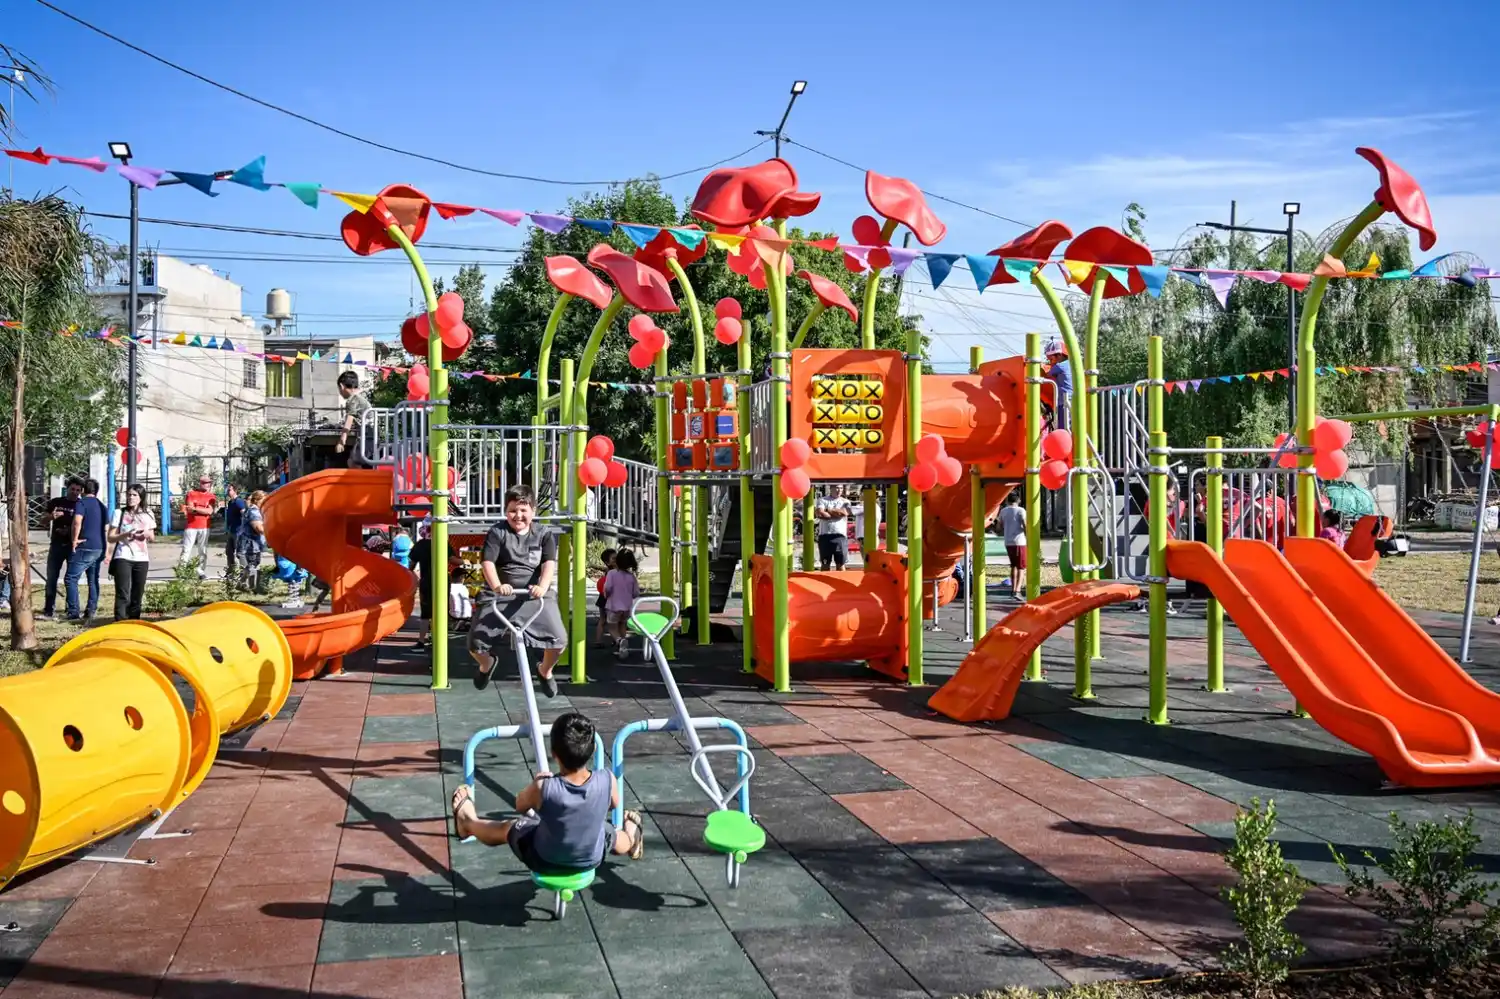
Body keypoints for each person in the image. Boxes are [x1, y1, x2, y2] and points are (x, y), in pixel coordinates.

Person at [450, 711, 644, 868]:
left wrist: (536, 784)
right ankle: (631, 838)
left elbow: (520, 804)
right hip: (591, 859)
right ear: (593, 750)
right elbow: (615, 803)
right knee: (609, 832)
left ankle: (468, 823)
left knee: (508, 828)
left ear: (553, 754)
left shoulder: (545, 787)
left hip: (544, 859)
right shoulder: (607, 778)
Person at [469, 484, 566, 696]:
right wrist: (497, 585)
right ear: (506, 511)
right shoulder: (497, 532)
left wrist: (542, 586)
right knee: (476, 643)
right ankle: (487, 664)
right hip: (501, 594)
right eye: (513, 510)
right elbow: (488, 562)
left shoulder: (544, 534)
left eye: (523, 510)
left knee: (558, 641)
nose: (518, 515)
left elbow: (549, 563)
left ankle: (545, 670)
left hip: (533, 595)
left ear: (533, 511)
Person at [107, 484, 155, 620]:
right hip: (123, 556)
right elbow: (110, 537)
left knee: (137, 593)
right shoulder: (119, 513)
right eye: (129, 494)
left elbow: (152, 538)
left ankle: (134, 621)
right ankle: (120, 621)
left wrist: (146, 534)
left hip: (142, 558)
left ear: (141, 497)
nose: (130, 497)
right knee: (123, 592)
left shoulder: (148, 514)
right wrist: (125, 535)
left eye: (134, 495)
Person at [65, 478, 108, 621]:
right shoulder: (102, 506)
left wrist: (74, 540)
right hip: (99, 546)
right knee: (93, 579)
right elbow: (106, 528)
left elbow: (77, 522)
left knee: (71, 578)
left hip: (85, 546)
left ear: (83, 490)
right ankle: (91, 610)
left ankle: (73, 611)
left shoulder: (81, 503)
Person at [41, 478, 82, 618]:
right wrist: (51, 517)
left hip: (73, 546)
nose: (75, 492)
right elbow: (42, 519)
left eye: (78, 490)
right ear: (67, 488)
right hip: (57, 545)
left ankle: (71, 609)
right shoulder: (57, 502)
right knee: (52, 578)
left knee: (71, 579)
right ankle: (48, 609)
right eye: (73, 489)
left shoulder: (81, 504)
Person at [603, 549, 641, 658]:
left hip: (613, 606)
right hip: (627, 608)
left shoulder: (611, 574)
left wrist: (606, 594)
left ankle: (619, 641)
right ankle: (623, 647)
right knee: (622, 625)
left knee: (611, 627)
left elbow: (608, 588)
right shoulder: (631, 576)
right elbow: (635, 593)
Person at [179, 474, 217, 578]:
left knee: (203, 550)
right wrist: (201, 510)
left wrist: (196, 509)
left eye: (209, 482)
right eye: (205, 482)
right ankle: (181, 572)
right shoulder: (191, 493)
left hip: (205, 526)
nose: (207, 484)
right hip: (191, 526)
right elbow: (190, 509)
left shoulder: (211, 496)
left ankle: (200, 571)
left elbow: (210, 511)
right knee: (186, 549)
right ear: (200, 483)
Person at [335, 371, 371, 465]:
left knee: (353, 462)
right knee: (354, 462)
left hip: (367, 436)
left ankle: (362, 480)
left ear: (342, 386)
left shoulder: (352, 400)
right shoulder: (359, 397)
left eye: (339, 389)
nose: (340, 392)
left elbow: (349, 420)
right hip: (371, 435)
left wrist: (342, 441)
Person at [236, 490, 268, 592]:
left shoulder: (253, 510)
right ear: (257, 500)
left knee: (252, 565)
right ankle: (253, 587)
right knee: (252, 565)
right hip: (250, 544)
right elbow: (258, 528)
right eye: (264, 500)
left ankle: (244, 585)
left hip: (251, 543)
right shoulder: (254, 511)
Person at [409, 521, 434, 652]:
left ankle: (421, 641)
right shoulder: (442, 544)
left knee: (425, 614)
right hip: (440, 582)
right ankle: (437, 639)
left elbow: (411, 566)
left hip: (426, 581)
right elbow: (454, 560)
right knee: (440, 612)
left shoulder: (420, 545)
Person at [814, 487, 853, 571]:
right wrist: (836, 514)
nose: (839, 490)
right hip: (825, 535)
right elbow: (821, 514)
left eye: (841, 488)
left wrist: (828, 510)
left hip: (840, 536)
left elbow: (844, 513)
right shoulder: (822, 500)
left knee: (840, 564)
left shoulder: (845, 501)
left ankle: (841, 582)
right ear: (831, 488)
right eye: (837, 488)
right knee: (825, 564)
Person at [998, 491, 1027, 600]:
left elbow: (998, 528)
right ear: (1018, 500)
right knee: (1021, 567)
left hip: (1008, 541)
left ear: (1007, 500)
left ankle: (1013, 589)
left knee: (1013, 565)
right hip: (1019, 541)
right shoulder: (1021, 511)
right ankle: (1018, 591)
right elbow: (1025, 525)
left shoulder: (1003, 511)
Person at [1044, 339, 1072, 429]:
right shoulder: (1070, 364)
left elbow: (1047, 374)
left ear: (1059, 355)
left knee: (1063, 427)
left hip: (1064, 401)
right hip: (1073, 399)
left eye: (1051, 359)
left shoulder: (1059, 366)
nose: (1051, 362)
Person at [593, 548, 617, 647]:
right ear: (608, 562)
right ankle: (617, 640)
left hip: (603, 598)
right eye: (614, 558)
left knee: (603, 620)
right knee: (611, 621)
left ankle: (599, 641)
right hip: (609, 599)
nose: (617, 559)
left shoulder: (610, 571)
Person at [223, 484, 247, 580]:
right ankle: (231, 572)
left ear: (235, 491)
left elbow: (245, 514)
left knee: (240, 553)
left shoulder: (239, 502)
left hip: (239, 532)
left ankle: (245, 574)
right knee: (229, 552)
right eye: (227, 490)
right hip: (231, 531)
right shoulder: (230, 503)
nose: (228, 492)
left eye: (229, 490)